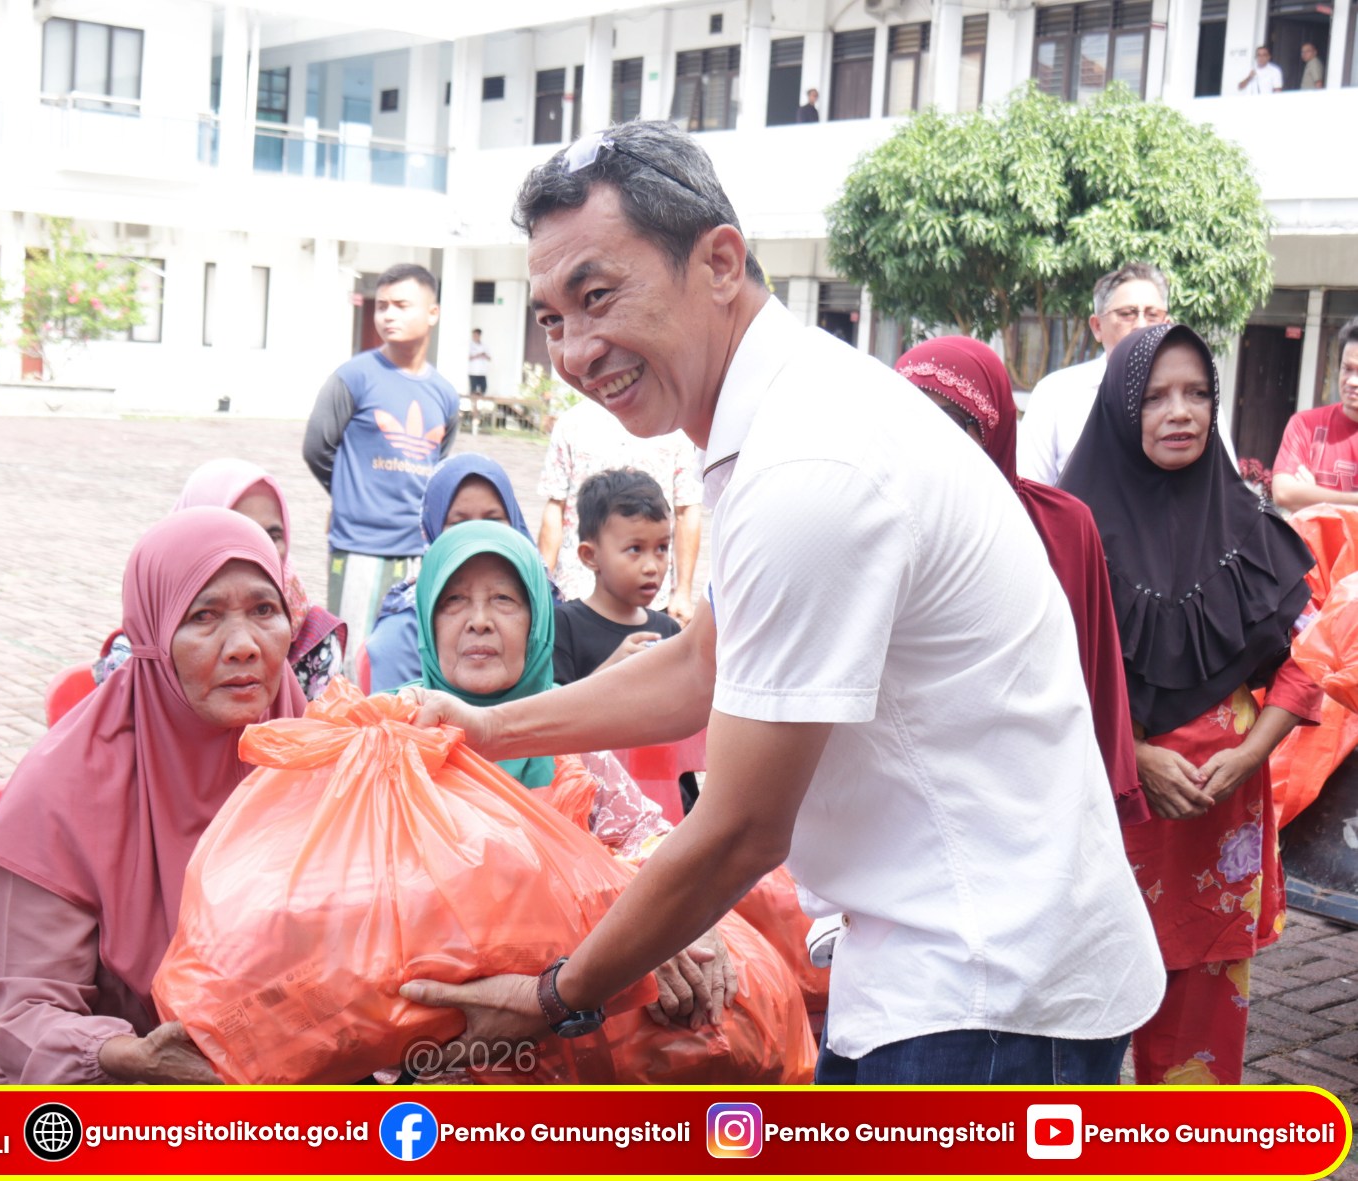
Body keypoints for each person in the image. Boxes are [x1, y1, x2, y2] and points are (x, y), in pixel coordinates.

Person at [397, 119, 1164, 1085]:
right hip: (955, 959)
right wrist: (487, 728)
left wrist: (555, 995)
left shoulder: (810, 465)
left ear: (720, 262)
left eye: (598, 295)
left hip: (985, 993)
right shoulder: (780, 419)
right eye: (550, 318)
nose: (577, 350)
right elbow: (703, 665)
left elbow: (741, 829)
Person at [0, 509, 307, 1083]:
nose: (244, 646)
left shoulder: (307, 747)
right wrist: (124, 1056)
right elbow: (19, 1016)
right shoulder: (65, 791)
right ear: (152, 635)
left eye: (264, 610)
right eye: (203, 616)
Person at [1060, 324, 1318, 1084]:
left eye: (1198, 393)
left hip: (1218, 827)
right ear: (1120, 407)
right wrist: (1135, 755)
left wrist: (1249, 753)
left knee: (1196, 1069)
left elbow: (1303, 670)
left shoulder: (1250, 527)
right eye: (1156, 396)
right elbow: (1040, 689)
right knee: (1079, 1043)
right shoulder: (1069, 535)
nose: (1181, 411)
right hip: (1109, 823)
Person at [409, 519, 729, 1025]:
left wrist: (681, 923)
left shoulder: (572, 741)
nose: (479, 621)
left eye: (504, 600)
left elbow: (649, 842)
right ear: (427, 620)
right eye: (453, 602)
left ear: (538, 621)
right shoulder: (394, 736)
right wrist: (621, 938)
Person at [895, 336, 1146, 823]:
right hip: (913, 794)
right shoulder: (882, 530)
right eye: (908, 417)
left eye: (949, 420)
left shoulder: (1061, 525)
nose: (925, 438)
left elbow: (1091, 671)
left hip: (1035, 790)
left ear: (993, 426)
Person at [303, 263, 460, 657]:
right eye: (382, 306)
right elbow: (317, 448)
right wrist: (350, 494)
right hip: (360, 547)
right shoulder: (353, 377)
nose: (388, 315)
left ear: (433, 313)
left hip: (418, 551)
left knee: (407, 656)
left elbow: (437, 463)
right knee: (354, 660)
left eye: (401, 305)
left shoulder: (444, 394)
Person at [96, 459, 346, 700]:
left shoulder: (315, 637)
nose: (258, 548)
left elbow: (331, 723)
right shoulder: (138, 656)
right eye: (204, 616)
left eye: (263, 610)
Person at [361, 453, 536, 693]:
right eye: (454, 599)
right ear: (433, 527)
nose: (476, 534)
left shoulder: (542, 602)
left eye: (492, 520)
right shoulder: (404, 627)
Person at [538, 395, 702, 623]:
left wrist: (683, 592)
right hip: (577, 589)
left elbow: (686, 510)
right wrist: (542, 588)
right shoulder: (572, 424)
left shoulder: (671, 429)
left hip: (651, 598)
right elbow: (556, 507)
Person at [1016, 262, 1171, 485]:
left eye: (1152, 315)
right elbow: (1029, 491)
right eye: (1127, 314)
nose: (1140, 325)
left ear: (1167, 325)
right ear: (1097, 326)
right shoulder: (1055, 395)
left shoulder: (1192, 396)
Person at [552, 468, 682, 685]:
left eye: (662, 547)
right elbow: (554, 703)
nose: (652, 567)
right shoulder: (563, 626)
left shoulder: (668, 630)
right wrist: (612, 670)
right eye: (635, 549)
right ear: (590, 556)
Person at [1273, 319, 1358, 511]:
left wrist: (1313, 497)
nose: (1352, 381)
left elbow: (1297, 498)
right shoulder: (1305, 424)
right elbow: (1283, 493)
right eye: (1347, 369)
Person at [468, 328, 492, 395]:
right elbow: (469, 357)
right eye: (473, 335)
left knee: (483, 389)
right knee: (473, 390)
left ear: (479, 335)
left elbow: (489, 358)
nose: (474, 337)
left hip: (482, 372)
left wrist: (484, 355)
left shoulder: (484, 346)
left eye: (476, 335)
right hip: (473, 371)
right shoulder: (470, 345)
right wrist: (478, 355)